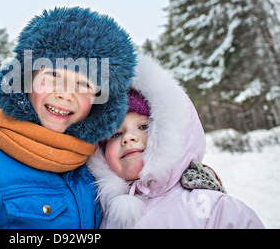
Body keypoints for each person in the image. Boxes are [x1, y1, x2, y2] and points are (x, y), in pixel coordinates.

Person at [0, 7, 137, 228]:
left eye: (84, 84)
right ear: (26, 79)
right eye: (52, 75)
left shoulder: (93, 170)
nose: (65, 93)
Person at [87, 54, 265, 229]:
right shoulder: (104, 216)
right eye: (116, 135)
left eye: (143, 127)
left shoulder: (213, 209)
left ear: (168, 133)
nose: (128, 138)